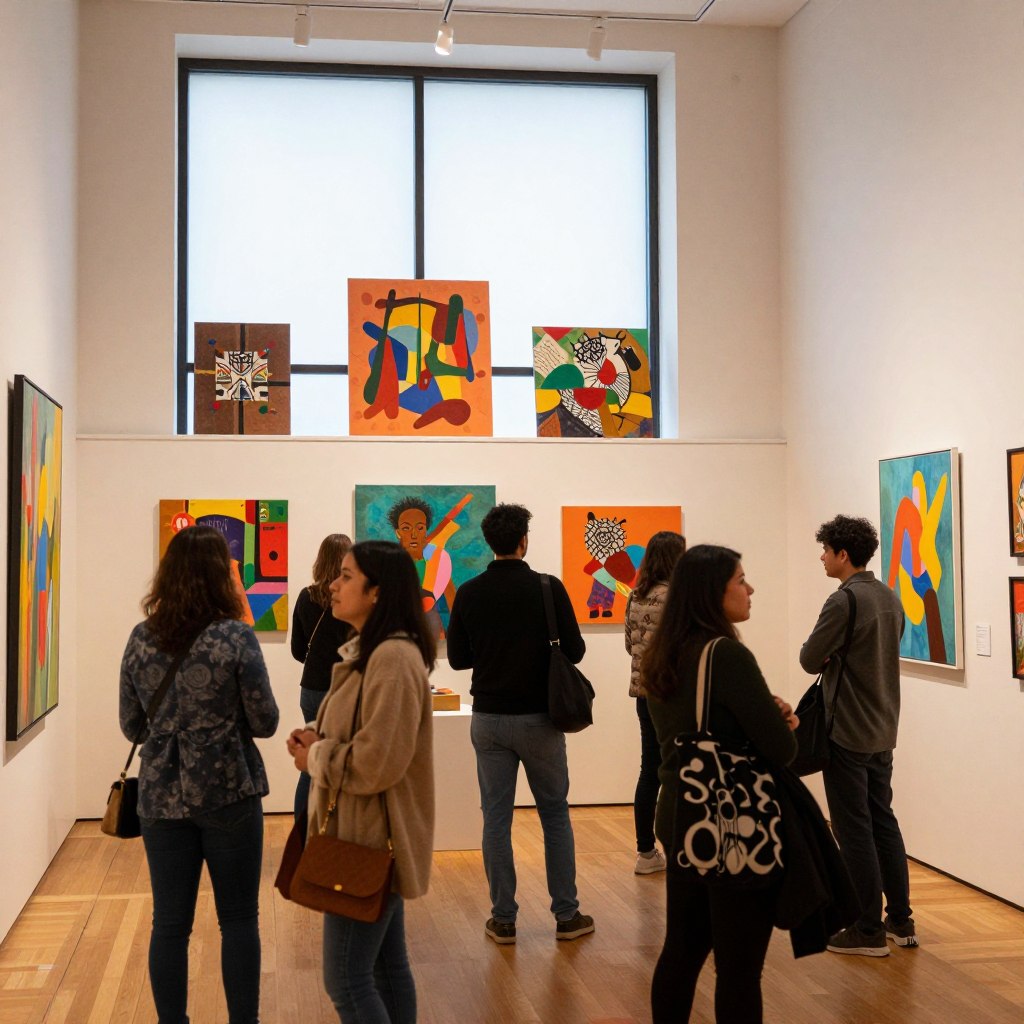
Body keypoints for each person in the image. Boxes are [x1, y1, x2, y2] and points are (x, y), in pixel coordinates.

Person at [119, 525, 279, 1024]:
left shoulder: (142, 638)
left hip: (162, 794)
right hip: (228, 787)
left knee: (169, 923)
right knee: (237, 919)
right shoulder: (235, 636)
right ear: (220, 576)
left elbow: (131, 724)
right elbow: (266, 721)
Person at [643, 544, 798, 1024]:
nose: (750, 590)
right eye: (741, 580)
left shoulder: (664, 652)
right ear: (714, 592)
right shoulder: (725, 655)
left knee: (682, 951)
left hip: (681, 815)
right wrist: (784, 722)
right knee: (738, 969)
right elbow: (781, 750)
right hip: (731, 823)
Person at [287, 540, 435, 1023]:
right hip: (366, 836)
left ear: (377, 592)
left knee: (348, 980)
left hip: (370, 839)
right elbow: (366, 736)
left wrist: (317, 757)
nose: (333, 583)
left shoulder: (392, 659)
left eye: (347, 576)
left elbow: (377, 763)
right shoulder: (369, 653)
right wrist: (318, 737)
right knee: (387, 970)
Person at [446, 502, 595, 945]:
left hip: (489, 719)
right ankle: (567, 917)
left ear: (490, 543)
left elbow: (457, 659)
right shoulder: (548, 588)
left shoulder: (469, 592)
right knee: (554, 814)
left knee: (496, 818)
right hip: (540, 719)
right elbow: (576, 651)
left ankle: (504, 919)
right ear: (524, 540)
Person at [799, 514, 913, 956]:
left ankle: (867, 930)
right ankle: (900, 920)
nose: (822, 557)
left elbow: (811, 658)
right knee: (883, 820)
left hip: (847, 728)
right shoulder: (889, 598)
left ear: (843, 554)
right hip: (884, 727)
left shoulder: (843, 601)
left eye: (826, 550)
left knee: (854, 829)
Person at [624, 529, 686, 875]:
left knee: (650, 770)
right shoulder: (676, 597)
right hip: (672, 696)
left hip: (643, 693)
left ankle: (645, 852)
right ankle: (680, 849)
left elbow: (630, 645)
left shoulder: (635, 596)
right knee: (678, 771)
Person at [290, 533, 355, 819]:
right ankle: (335, 829)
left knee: (310, 759)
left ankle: (303, 827)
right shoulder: (352, 598)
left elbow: (297, 649)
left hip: (313, 687)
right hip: (344, 690)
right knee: (341, 761)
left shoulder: (307, 596)